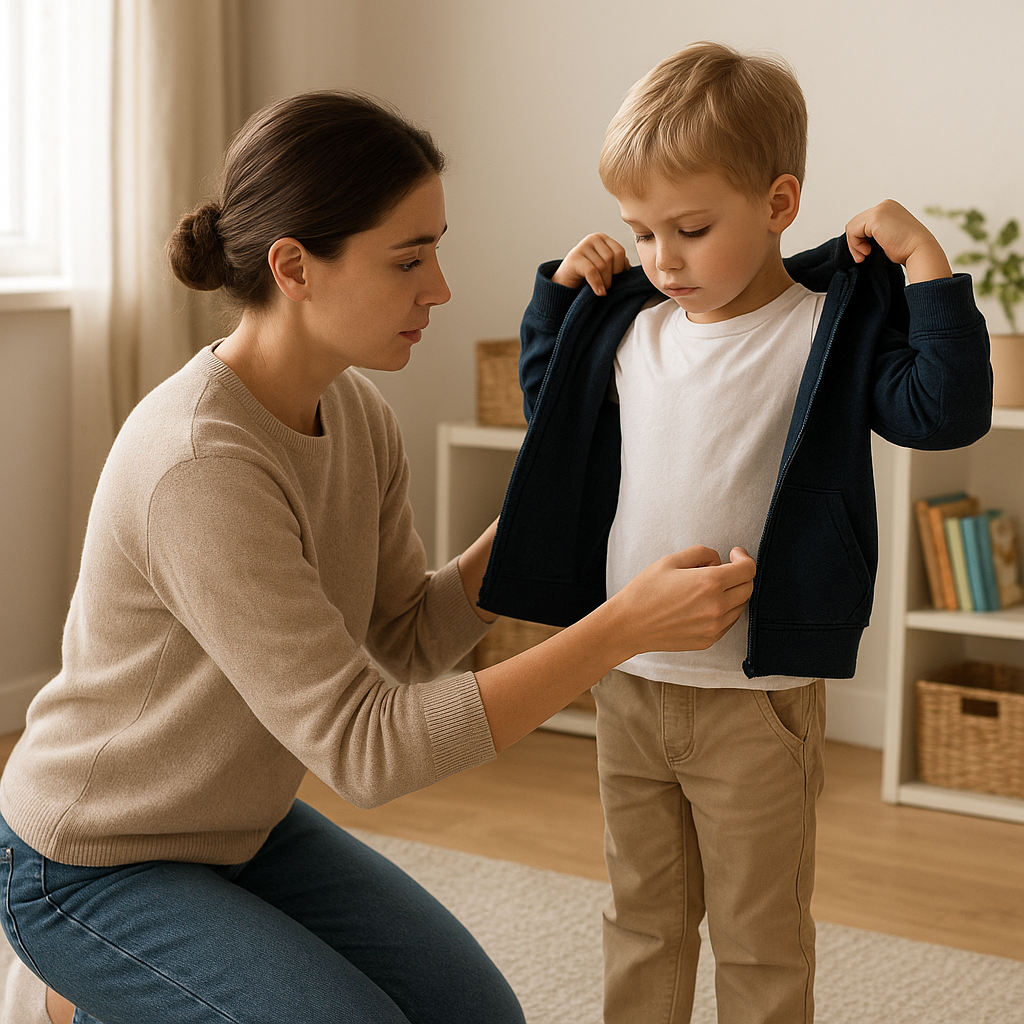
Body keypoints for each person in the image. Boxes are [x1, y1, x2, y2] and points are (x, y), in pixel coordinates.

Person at [0, 91, 757, 1024]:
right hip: (92, 861)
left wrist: (561, 495)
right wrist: (616, 632)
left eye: (435, 249)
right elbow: (366, 747)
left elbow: (400, 637)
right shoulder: (201, 465)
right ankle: (71, 998)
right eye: (408, 259)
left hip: (241, 829)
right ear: (294, 267)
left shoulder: (357, 415)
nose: (438, 288)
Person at [477, 42, 992, 1024]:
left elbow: (943, 411)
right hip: (626, 682)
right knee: (642, 920)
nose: (661, 258)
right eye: (639, 232)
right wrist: (558, 301)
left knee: (759, 942)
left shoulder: (821, 329)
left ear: (777, 202)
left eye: (690, 228)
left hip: (754, 702)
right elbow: (551, 414)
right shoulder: (631, 323)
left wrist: (924, 260)